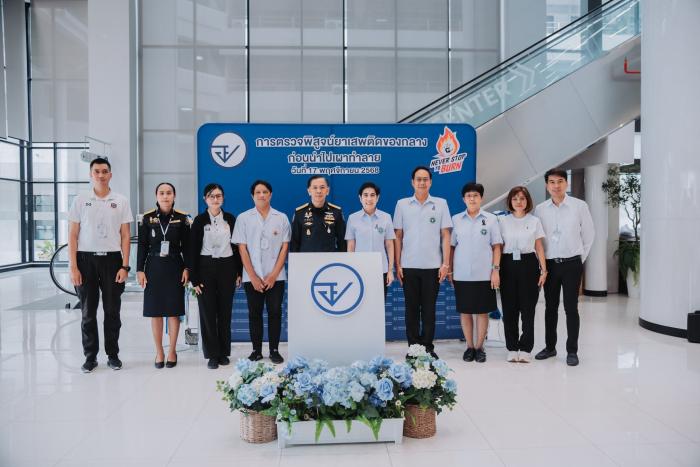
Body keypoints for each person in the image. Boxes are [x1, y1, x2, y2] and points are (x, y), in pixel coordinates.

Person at [68, 157, 133, 373]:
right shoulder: (80, 200)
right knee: (88, 312)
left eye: (104, 171)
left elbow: (125, 236)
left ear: (110, 174)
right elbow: (73, 235)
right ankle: (90, 357)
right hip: (85, 260)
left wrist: (125, 266)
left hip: (112, 260)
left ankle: (113, 355)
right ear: (91, 174)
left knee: (112, 311)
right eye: (96, 171)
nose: (101, 175)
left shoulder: (121, 200)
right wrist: (73, 267)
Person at [534, 168, 594, 366]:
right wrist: (542, 266)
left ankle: (572, 351)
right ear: (547, 185)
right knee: (550, 308)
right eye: (552, 182)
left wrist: (579, 259)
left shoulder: (579, 206)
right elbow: (537, 239)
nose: (556, 186)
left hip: (572, 264)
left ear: (566, 183)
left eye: (560, 181)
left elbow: (589, 235)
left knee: (571, 308)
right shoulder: (540, 209)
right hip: (550, 265)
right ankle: (550, 347)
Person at [393, 166, 452, 359]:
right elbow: (398, 236)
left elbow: (445, 235)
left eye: (425, 179)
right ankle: (413, 348)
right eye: (418, 179)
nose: (422, 182)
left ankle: (427, 347)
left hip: (433, 266)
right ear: (412, 182)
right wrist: (398, 264)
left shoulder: (441, 204)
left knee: (429, 309)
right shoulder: (402, 204)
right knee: (411, 309)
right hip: (408, 266)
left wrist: (445, 264)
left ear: (431, 182)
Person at [232, 180, 290, 364]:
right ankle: (256, 350)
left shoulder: (281, 217)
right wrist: (253, 276)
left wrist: (273, 275)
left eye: (265, 192)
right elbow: (242, 249)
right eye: (258, 192)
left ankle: (274, 350)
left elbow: (284, 248)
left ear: (270, 194)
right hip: (252, 276)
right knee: (254, 313)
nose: (262, 195)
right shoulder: (243, 218)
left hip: (276, 277)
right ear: (252, 196)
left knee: (275, 312)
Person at [136, 182, 191, 369]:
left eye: (169, 193)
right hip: (154, 267)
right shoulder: (147, 218)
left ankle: (172, 350)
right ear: (156, 196)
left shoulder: (183, 218)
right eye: (162, 193)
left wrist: (187, 268)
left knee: (174, 311)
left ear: (174, 196)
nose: (165, 196)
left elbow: (188, 247)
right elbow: (142, 246)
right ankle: (159, 351)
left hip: (175, 267)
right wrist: (140, 269)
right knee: (156, 312)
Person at [190, 183, 242, 369]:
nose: (215, 199)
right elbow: (191, 250)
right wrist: (194, 279)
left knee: (225, 311)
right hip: (205, 267)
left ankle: (223, 352)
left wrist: (238, 272)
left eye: (219, 196)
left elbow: (238, 247)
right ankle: (212, 354)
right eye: (211, 196)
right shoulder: (199, 221)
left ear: (223, 198)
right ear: (205, 199)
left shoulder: (231, 219)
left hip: (227, 267)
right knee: (208, 312)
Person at [449, 182, 502, 363]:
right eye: (469, 196)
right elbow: (452, 247)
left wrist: (495, 271)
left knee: (482, 312)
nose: (472, 199)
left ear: (481, 198)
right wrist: (450, 271)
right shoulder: (456, 219)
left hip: (484, 274)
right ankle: (469, 347)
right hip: (462, 274)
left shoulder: (491, 219)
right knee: (465, 312)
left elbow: (496, 247)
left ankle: (480, 348)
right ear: (463, 199)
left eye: (475, 195)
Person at [498, 186, 547, 363]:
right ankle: (512, 348)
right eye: (515, 199)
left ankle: (526, 348)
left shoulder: (534, 221)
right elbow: (498, 247)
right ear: (510, 201)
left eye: (522, 198)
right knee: (509, 309)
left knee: (528, 309)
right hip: (507, 264)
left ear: (528, 201)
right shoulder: (502, 221)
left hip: (529, 264)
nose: (519, 202)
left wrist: (544, 270)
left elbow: (539, 247)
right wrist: (495, 269)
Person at [345, 182, 396, 295]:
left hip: (381, 269)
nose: (369, 198)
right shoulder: (352, 218)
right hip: (359, 269)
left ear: (377, 198)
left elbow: (389, 245)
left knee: (379, 302)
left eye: (372, 195)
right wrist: (351, 269)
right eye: (365, 195)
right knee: (361, 302)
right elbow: (351, 246)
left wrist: (390, 270)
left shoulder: (386, 217)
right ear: (360, 198)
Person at [290, 175, 346, 252]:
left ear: (327, 190)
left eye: (322, 187)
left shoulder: (336, 212)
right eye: (315, 187)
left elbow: (342, 242)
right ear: (309, 191)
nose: (319, 191)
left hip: (330, 259)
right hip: (306, 258)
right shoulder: (300, 212)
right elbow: (294, 243)